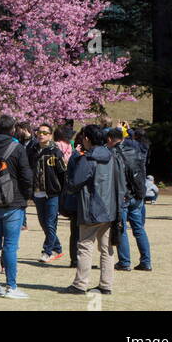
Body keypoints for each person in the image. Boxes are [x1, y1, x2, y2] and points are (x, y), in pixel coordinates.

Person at [0, 115, 33, 299]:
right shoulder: (16, 148)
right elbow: (26, 175)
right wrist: (26, 196)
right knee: (10, 246)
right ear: (12, 130)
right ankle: (11, 286)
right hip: (13, 201)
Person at [63, 125, 123, 296]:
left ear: (87, 139)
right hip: (110, 208)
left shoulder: (88, 159)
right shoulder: (112, 156)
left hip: (91, 209)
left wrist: (73, 161)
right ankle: (106, 284)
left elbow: (75, 183)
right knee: (107, 248)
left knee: (85, 246)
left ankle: (80, 284)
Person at [109, 126, 152, 271]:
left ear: (110, 139)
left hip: (123, 196)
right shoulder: (134, 150)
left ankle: (124, 261)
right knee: (139, 229)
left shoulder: (113, 154)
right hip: (137, 194)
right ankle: (146, 261)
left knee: (122, 229)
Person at [27, 123, 66, 262]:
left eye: (45, 132)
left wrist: (62, 192)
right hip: (38, 193)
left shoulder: (55, 152)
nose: (41, 135)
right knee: (43, 223)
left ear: (50, 135)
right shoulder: (32, 150)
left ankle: (47, 251)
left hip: (52, 193)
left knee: (50, 223)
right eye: (39, 132)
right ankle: (57, 247)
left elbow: (63, 173)